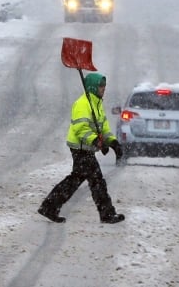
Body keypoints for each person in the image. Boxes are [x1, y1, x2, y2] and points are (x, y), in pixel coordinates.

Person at [38, 72, 125, 224]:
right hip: (80, 147)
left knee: (77, 178)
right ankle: (106, 213)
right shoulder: (83, 104)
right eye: (100, 86)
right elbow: (80, 128)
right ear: (92, 87)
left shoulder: (96, 103)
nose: (103, 89)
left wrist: (112, 142)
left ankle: (50, 206)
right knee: (96, 180)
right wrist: (94, 141)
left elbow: (103, 127)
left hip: (87, 148)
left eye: (104, 86)